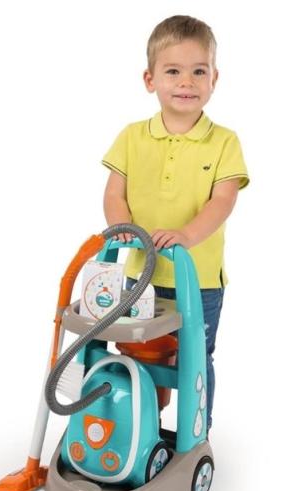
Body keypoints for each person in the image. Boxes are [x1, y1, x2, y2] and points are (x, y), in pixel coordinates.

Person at [102, 15, 249, 434]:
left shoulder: (224, 142)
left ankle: (194, 434)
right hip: (141, 276)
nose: (187, 82)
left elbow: (223, 200)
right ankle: (140, 428)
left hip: (197, 280)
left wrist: (186, 236)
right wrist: (123, 227)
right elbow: (114, 194)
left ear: (214, 78)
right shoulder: (131, 137)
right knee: (137, 355)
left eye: (198, 71)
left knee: (194, 359)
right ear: (150, 80)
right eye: (173, 71)